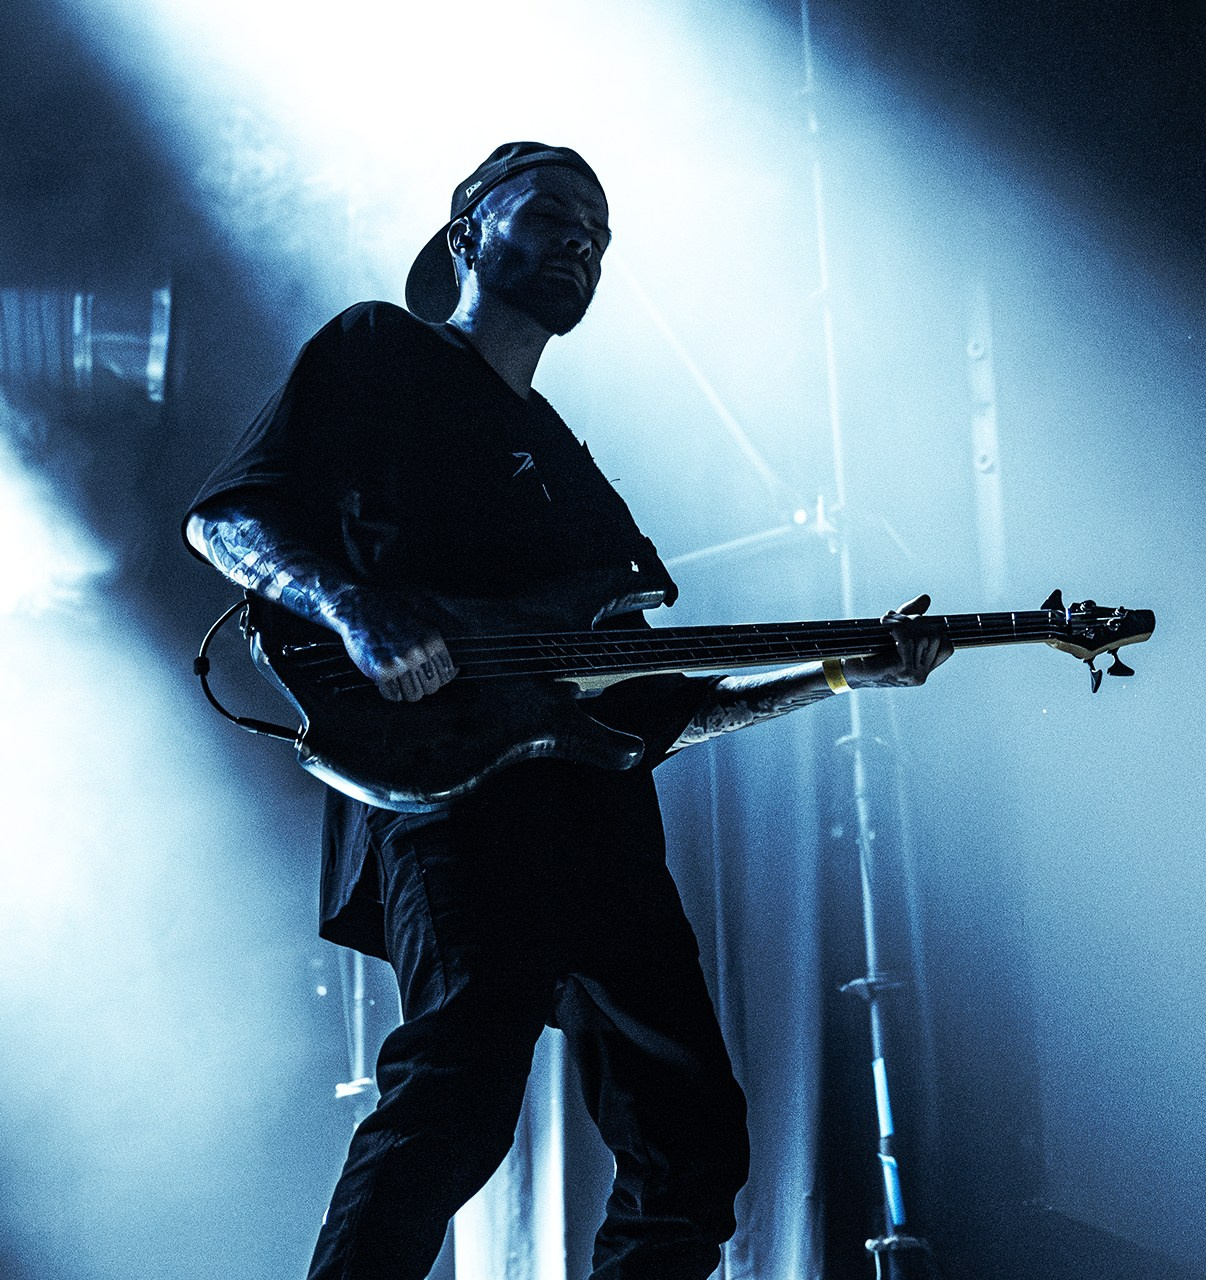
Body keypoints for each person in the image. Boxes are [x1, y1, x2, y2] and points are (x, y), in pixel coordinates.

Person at [183, 142, 951, 1280]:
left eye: (595, 233)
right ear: (465, 238)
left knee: (693, 1148)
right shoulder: (378, 349)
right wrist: (355, 610)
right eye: (549, 217)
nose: (578, 243)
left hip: (601, 832)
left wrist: (844, 672)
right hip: (451, 794)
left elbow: (658, 709)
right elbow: (226, 520)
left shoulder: (576, 474)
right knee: (454, 1102)